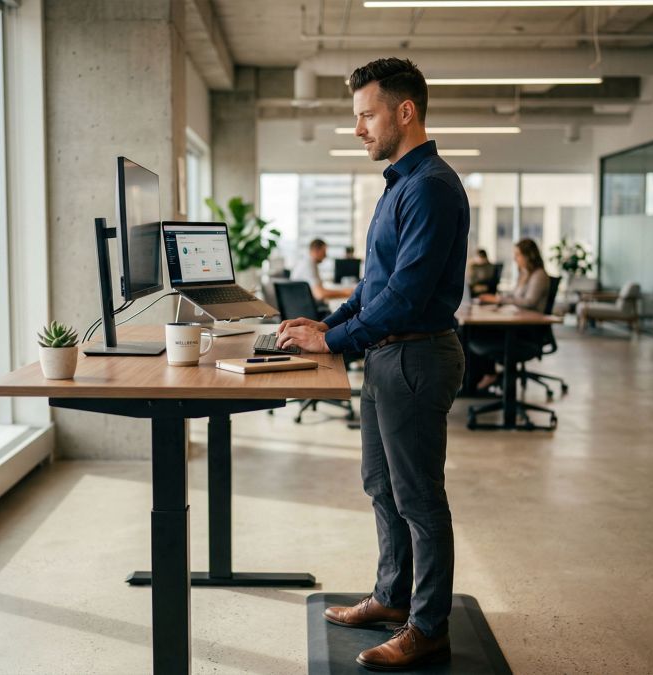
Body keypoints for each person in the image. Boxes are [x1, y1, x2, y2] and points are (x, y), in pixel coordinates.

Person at [277, 57, 468, 671]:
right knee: (381, 487)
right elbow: (373, 287)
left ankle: (428, 625)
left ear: (404, 111)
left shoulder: (431, 187)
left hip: (416, 356)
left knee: (419, 499)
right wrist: (326, 326)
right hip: (388, 356)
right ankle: (392, 597)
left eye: (366, 115)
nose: (358, 128)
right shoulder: (398, 186)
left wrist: (332, 344)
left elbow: (407, 298)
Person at [473, 238, 551, 390]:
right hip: (518, 323)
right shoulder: (525, 275)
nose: (515, 259)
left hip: (528, 330)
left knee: (479, 332)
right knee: (476, 330)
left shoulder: (539, 275)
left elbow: (529, 302)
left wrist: (499, 299)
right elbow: (516, 297)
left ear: (529, 256)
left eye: (518, 255)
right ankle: (481, 377)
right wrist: (499, 301)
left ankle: (487, 375)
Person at [289, 238, 354, 302]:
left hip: (302, 304)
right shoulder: (308, 265)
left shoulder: (306, 262)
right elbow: (320, 294)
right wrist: (345, 293)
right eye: (324, 252)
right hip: (305, 308)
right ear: (316, 250)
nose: (325, 255)